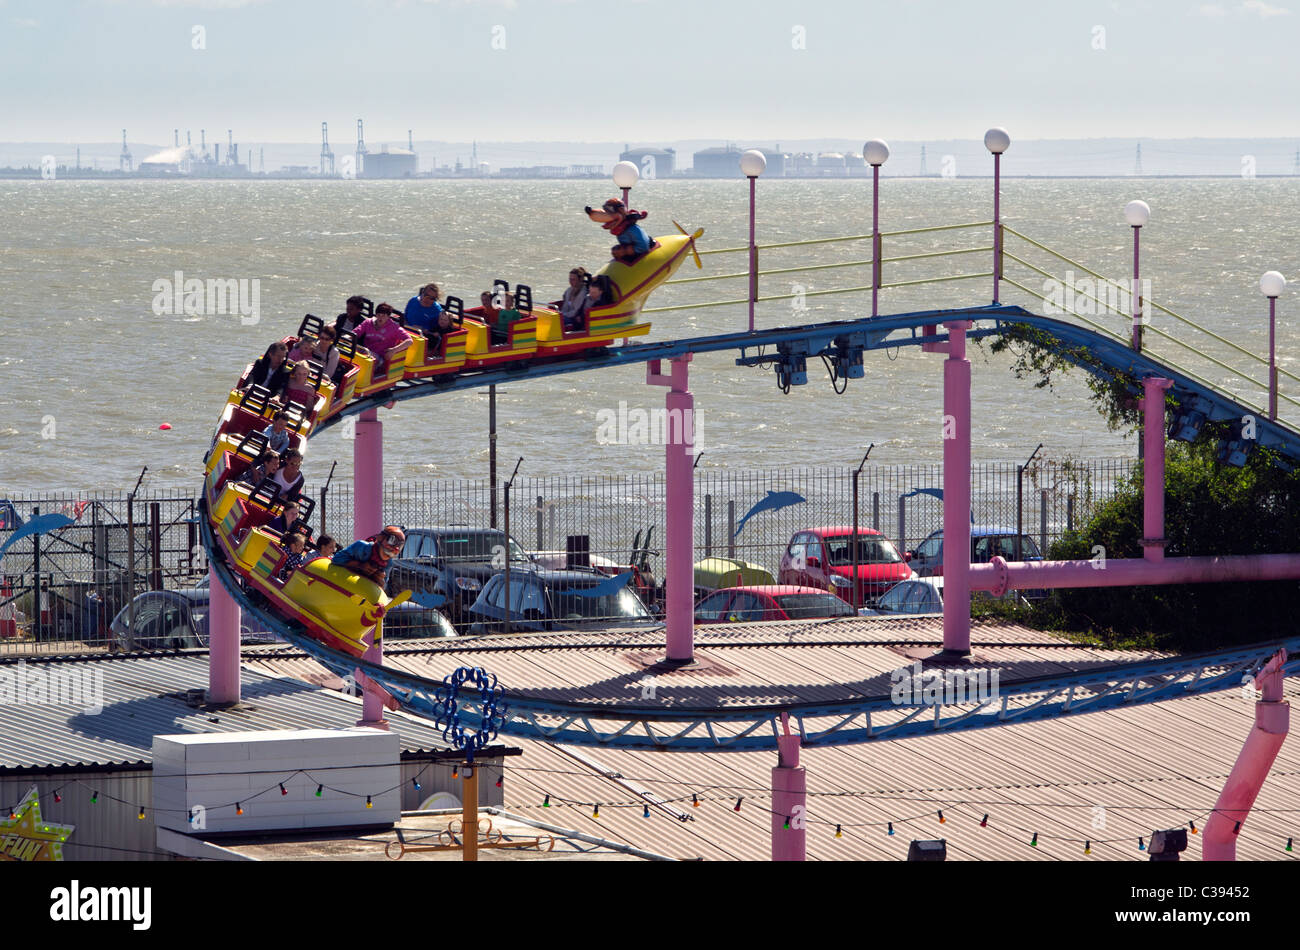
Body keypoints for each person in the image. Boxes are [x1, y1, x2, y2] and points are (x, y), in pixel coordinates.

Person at [332, 525, 405, 586]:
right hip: (344, 582)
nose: (395, 548)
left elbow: (383, 586)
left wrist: (379, 579)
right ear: (381, 538)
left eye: (400, 545)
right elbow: (336, 559)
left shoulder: (389, 562)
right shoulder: (362, 547)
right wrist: (359, 565)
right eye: (392, 540)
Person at [584, 198, 650, 262]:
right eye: (606, 211)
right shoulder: (620, 230)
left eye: (610, 211)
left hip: (640, 253)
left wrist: (626, 251)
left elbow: (644, 246)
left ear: (621, 210)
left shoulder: (632, 229)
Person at [354, 302, 412, 376]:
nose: (380, 318)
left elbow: (409, 341)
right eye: (379, 315)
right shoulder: (368, 322)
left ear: (388, 316)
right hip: (365, 351)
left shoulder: (394, 327)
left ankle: (361, 377)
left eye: (383, 315)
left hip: (380, 357)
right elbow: (354, 333)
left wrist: (393, 350)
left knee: (367, 358)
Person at [559, 267, 589, 331]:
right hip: (566, 316)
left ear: (580, 279)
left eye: (573, 279)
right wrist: (560, 314)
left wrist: (562, 315)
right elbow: (565, 307)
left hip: (575, 319)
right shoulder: (569, 290)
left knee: (557, 321)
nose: (571, 282)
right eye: (570, 279)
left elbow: (575, 312)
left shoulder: (583, 293)